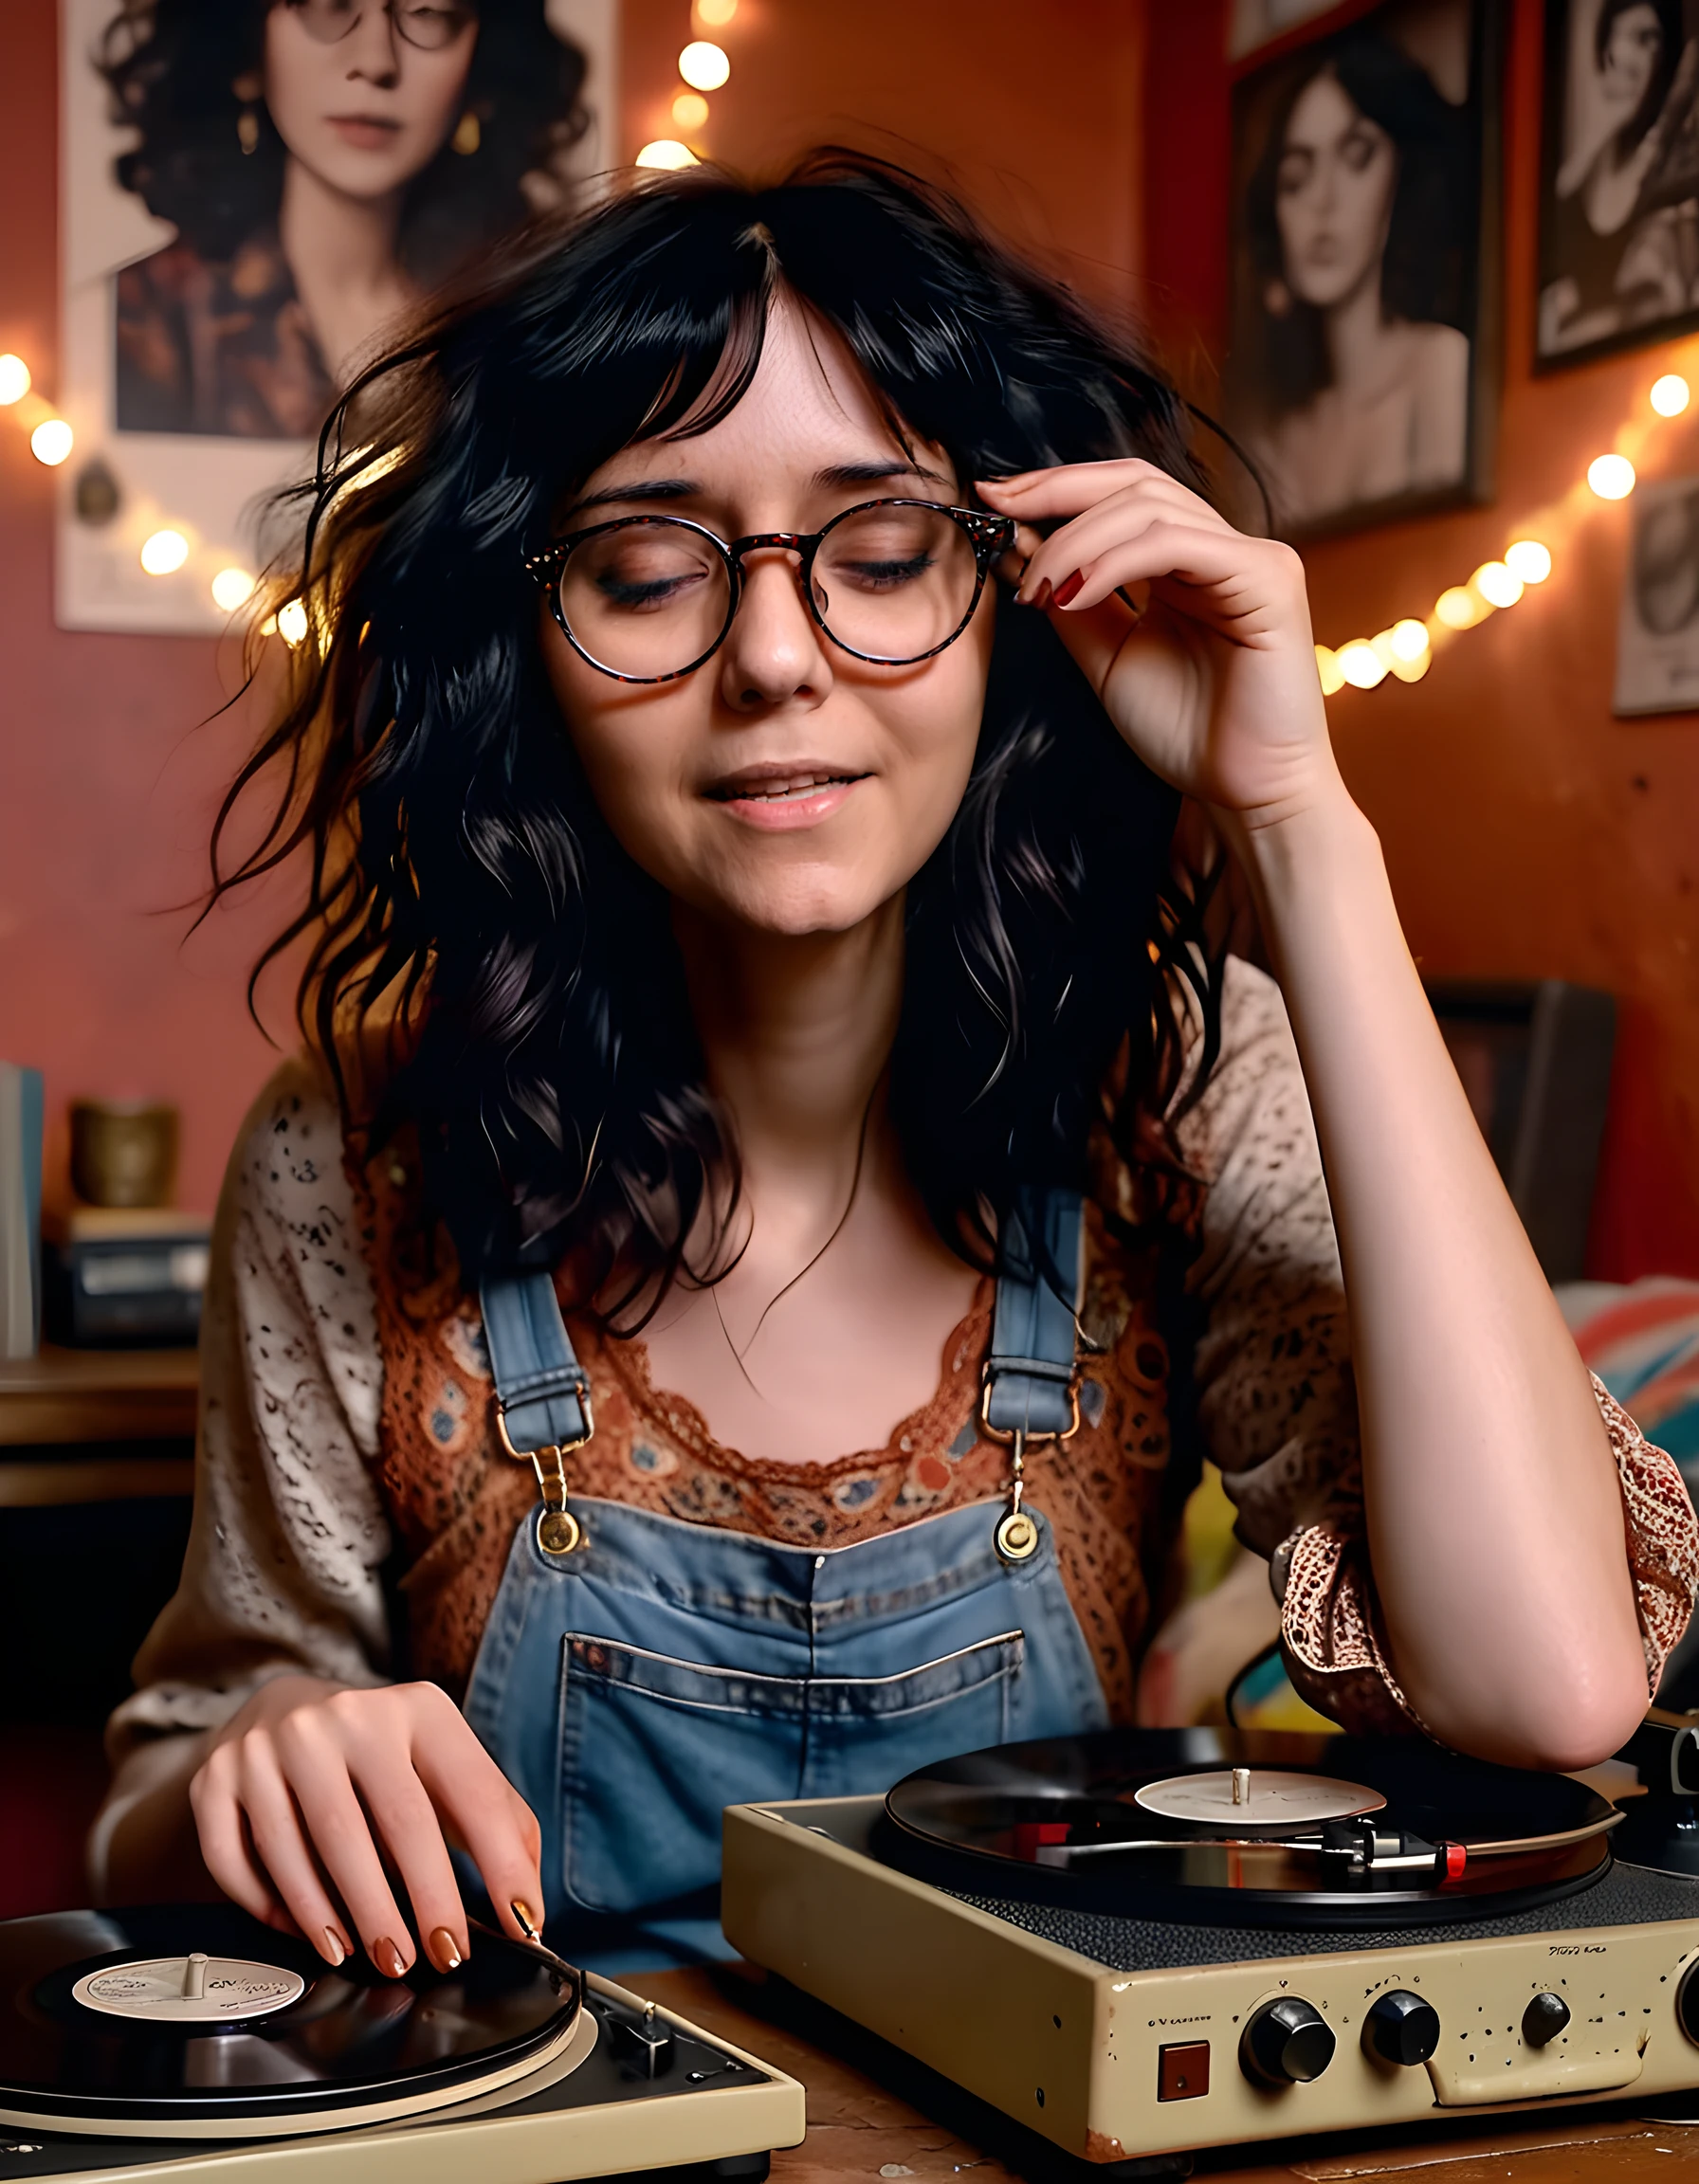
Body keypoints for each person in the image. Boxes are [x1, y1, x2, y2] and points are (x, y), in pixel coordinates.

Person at [92, 154, 1694, 1976]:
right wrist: (253, 1752)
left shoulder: (1171, 1087)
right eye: (639, 566)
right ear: (524, 649)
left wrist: (1297, 819)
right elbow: (156, 1788)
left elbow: (1547, 1682)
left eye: (877, 555)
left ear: (1014, 599)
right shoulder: (350, 1152)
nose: (775, 654)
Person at [99, 0, 587, 437]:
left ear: (484, 62)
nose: (375, 62)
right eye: (327, 6)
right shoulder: (144, 320)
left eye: (428, 13)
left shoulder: (533, 329)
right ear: (248, 43)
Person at [1233, 28, 1471, 529]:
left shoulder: (1440, 369)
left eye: (1357, 156)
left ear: (1401, 179)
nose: (1323, 202)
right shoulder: (1274, 438)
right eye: (1296, 177)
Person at [1541, 0, 1699, 358]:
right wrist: (1612, 117)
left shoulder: (1669, 162)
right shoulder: (1594, 155)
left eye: (1648, 39)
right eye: (1622, 36)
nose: (1629, 53)